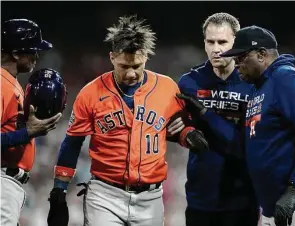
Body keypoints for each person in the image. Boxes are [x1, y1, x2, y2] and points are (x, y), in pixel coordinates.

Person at [46, 15, 208, 226]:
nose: (131, 73)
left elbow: (176, 130)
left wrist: (189, 135)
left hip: (150, 198)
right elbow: (72, 143)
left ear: (146, 57)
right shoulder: (90, 93)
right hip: (105, 195)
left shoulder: (167, 89)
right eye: (124, 66)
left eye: (137, 65)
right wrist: (59, 191)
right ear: (112, 57)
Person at [220, 25, 295, 226]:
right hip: (274, 202)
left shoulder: (285, 77)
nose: (236, 64)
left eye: (241, 58)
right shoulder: (260, 87)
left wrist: (294, 189)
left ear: (262, 55)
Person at [175, 13, 259, 226]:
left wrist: (206, 115)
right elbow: (172, 127)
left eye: (222, 42)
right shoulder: (190, 82)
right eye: (210, 42)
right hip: (200, 198)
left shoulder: (252, 84)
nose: (216, 48)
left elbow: (245, 145)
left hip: (242, 199)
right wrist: (183, 133)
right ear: (204, 43)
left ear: (236, 43)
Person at [1, 19, 62, 226]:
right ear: (16, 53)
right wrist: (27, 132)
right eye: (32, 50)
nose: (36, 56)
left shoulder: (11, 82)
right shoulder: (1, 84)